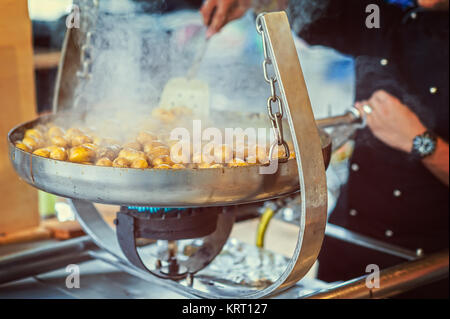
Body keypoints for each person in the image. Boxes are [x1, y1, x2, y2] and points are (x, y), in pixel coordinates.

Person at [200, 0, 449, 297]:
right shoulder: (385, 17)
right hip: (349, 247)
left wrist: (419, 141)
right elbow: (313, 14)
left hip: (427, 268)